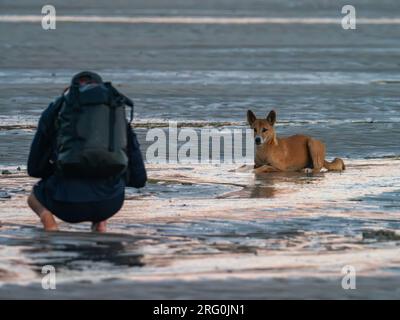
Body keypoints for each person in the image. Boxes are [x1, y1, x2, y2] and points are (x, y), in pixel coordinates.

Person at [27, 71, 147, 232]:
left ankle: (48, 222)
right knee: (108, 178)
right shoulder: (114, 113)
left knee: (33, 197)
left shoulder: (57, 112)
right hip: (110, 203)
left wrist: (59, 168)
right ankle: (100, 226)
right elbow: (139, 178)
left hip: (65, 204)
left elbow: (34, 168)